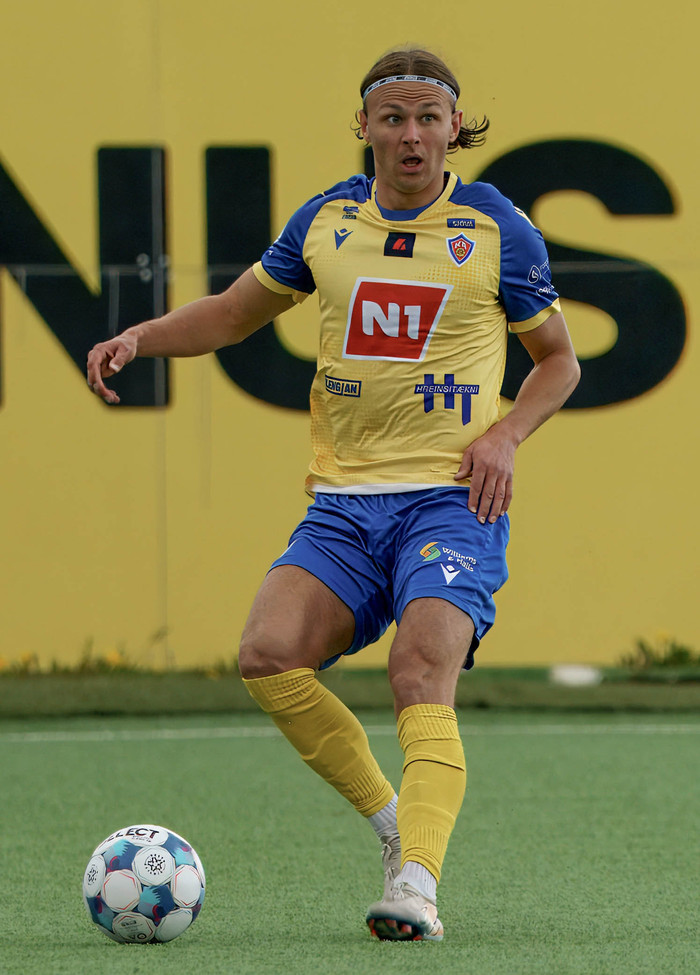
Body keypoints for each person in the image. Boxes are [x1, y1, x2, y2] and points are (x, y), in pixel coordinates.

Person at [87, 47, 580, 942]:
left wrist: (506, 434)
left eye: (427, 117)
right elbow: (232, 313)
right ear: (365, 127)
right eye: (393, 117)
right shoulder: (326, 221)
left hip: (450, 498)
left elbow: (559, 361)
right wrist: (140, 337)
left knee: (417, 669)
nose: (411, 135)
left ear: (453, 127)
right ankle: (396, 825)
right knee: (267, 655)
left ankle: (418, 885)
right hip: (346, 506)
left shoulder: (496, 228)